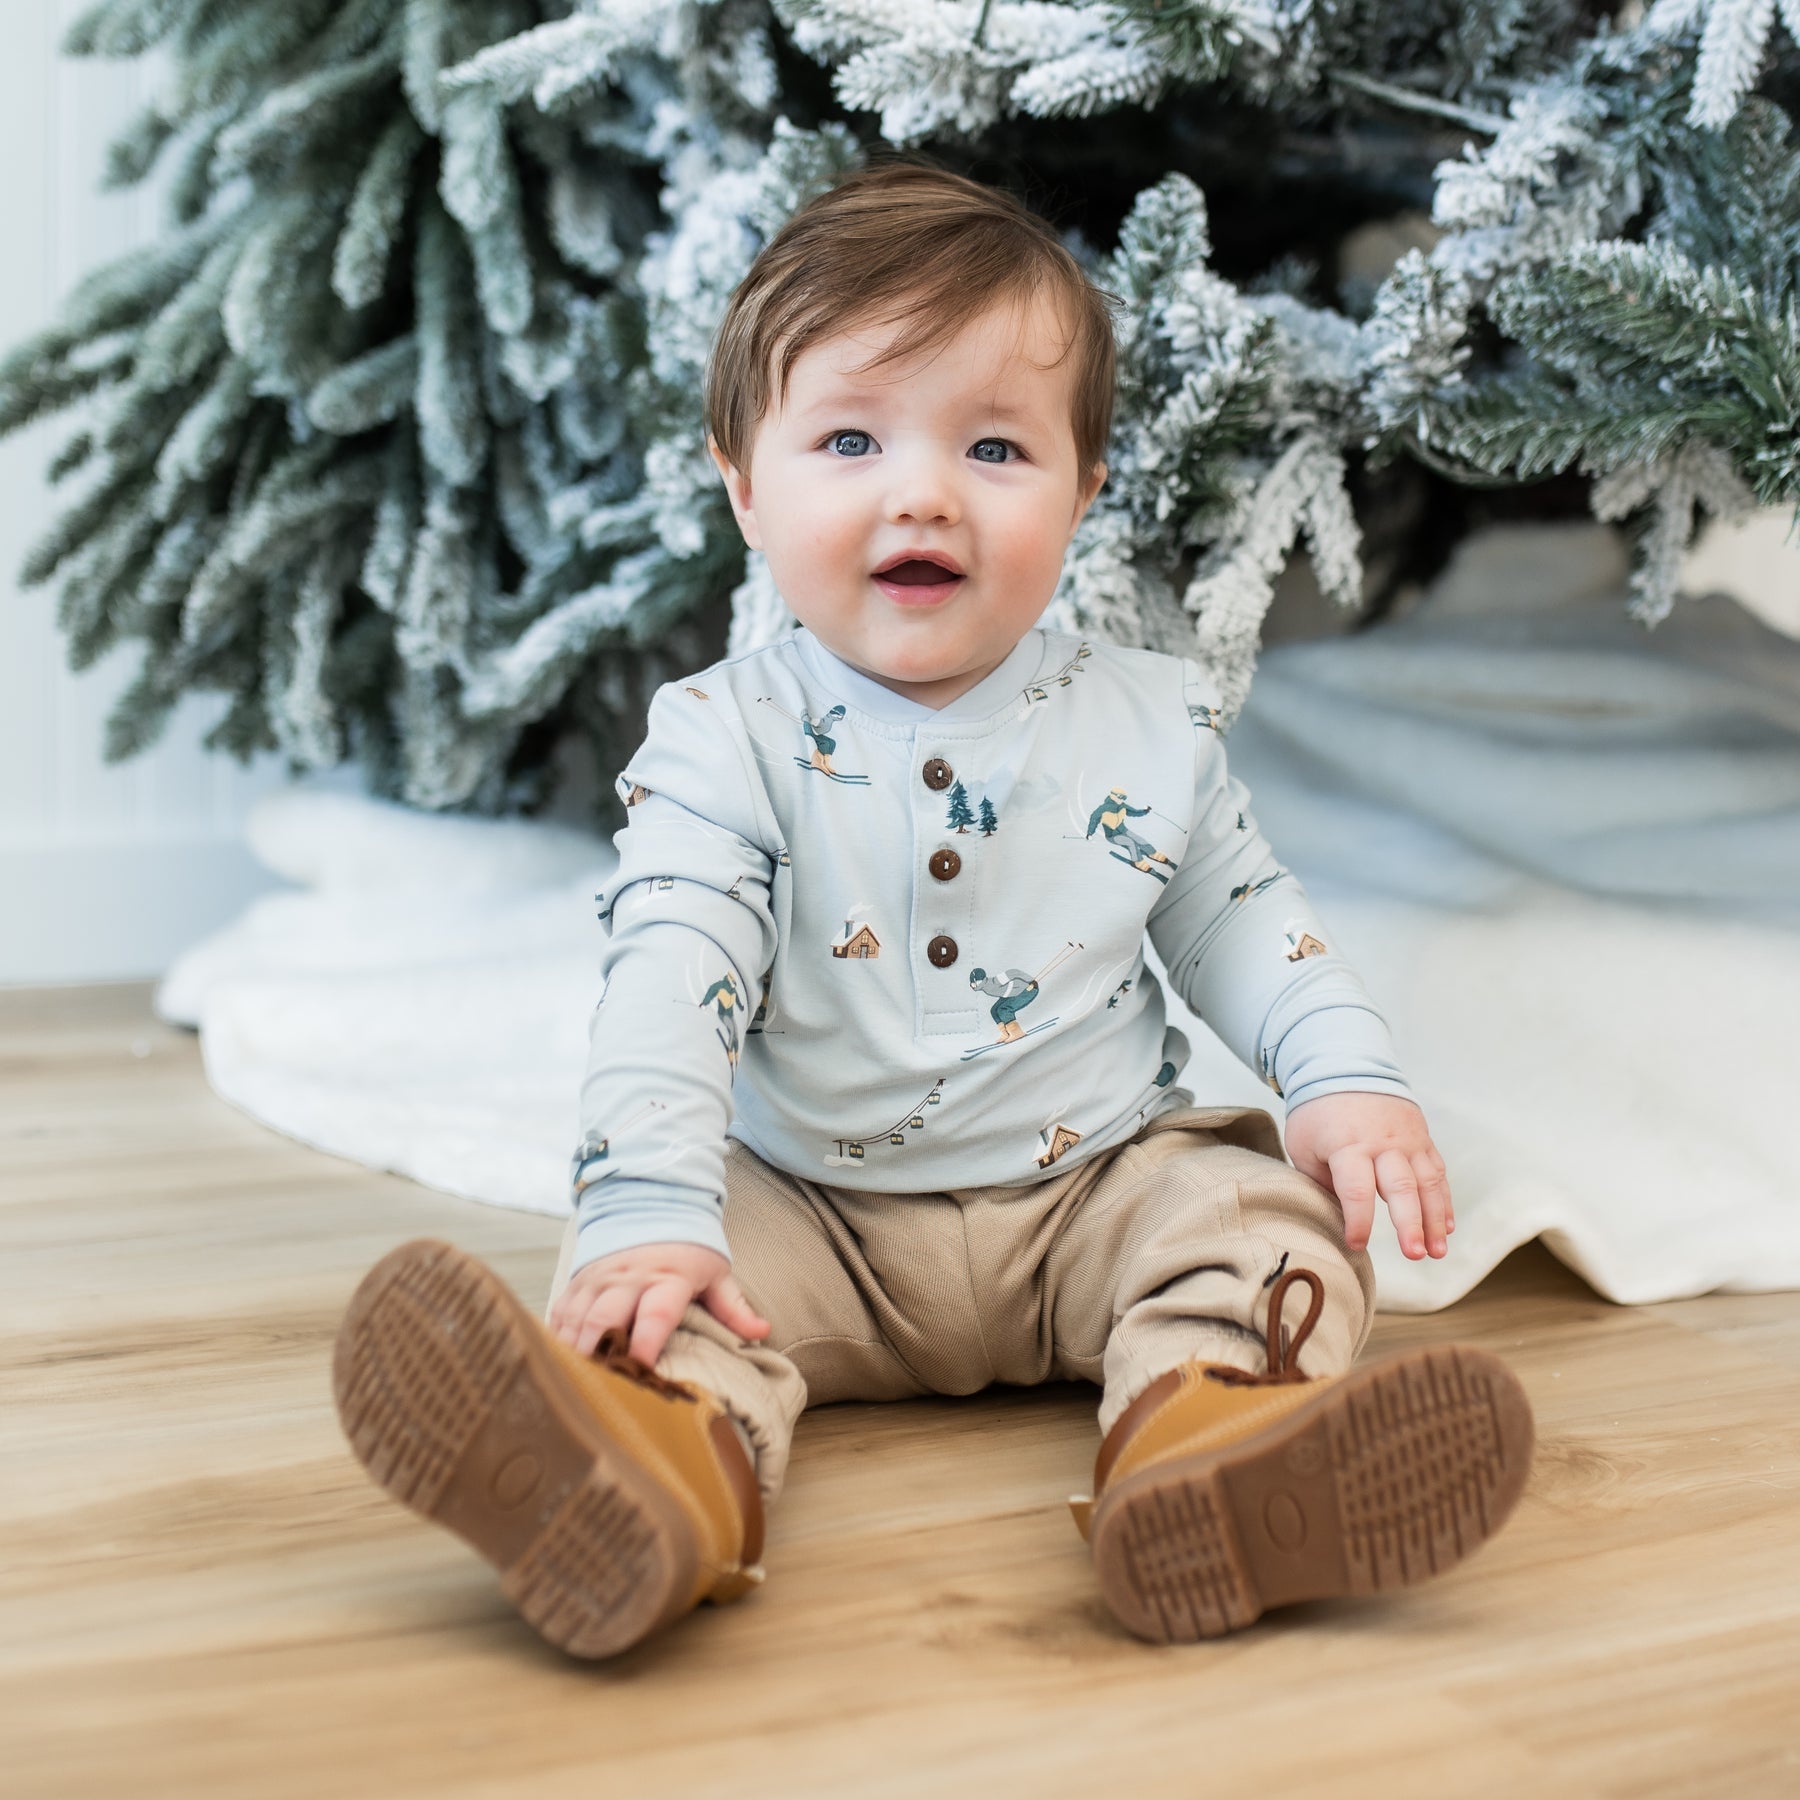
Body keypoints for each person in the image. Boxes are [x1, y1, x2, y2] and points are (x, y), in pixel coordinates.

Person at [332, 159, 1534, 1659]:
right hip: (811, 1219)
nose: (923, 492)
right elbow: (671, 982)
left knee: (1262, 1229)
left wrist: (1343, 1078)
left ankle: (1208, 1455)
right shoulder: (724, 743)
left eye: (994, 447)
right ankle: (645, 1480)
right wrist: (645, 1211)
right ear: (742, 484)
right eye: (849, 437)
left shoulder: (1146, 725)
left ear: (1083, 494)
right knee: (654, 1292)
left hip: (1096, 1189)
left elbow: (1244, 921)